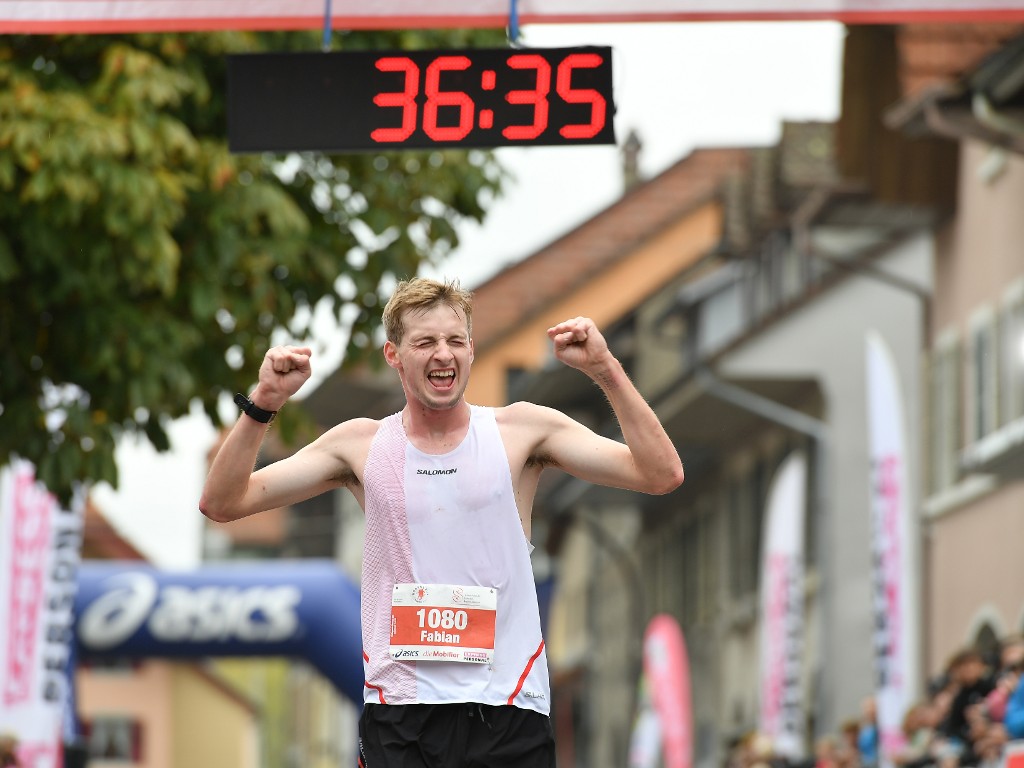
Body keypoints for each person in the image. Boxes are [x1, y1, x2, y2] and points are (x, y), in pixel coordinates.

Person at [200, 277, 684, 767]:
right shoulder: (361, 445)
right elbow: (223, 502)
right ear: (394, 355)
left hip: (508, 706)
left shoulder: (521, 431)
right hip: (402, 712)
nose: (443, 355)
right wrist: (263, 403)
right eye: (425, 342)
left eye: (455, 342)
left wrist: (605, 369)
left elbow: (661, 473)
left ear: (472, 351)